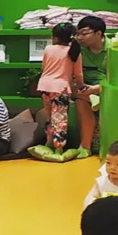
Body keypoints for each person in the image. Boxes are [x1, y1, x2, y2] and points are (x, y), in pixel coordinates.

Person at [36, 23, 86, 155]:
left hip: (44, 86)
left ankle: (48, 142)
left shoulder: (48, 49)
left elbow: (44, 67)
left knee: (49, 116)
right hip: (61, 88)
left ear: (55, 37)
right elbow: (78, 74)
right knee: (60, 118)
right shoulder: (74, 52)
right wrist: (81, 87)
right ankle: (59, 147)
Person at [73, 16, 111, 156]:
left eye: (84, 33)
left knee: (84, 97)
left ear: (99, 33)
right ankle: (85, 147)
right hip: (82, 89)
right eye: (78, 34)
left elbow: (116, 79)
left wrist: (95, 89)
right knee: (80, 102)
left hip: (105, 88)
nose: (80, 37)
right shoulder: (77, 48)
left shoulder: (113, 49)